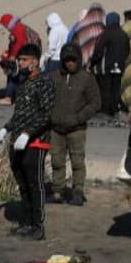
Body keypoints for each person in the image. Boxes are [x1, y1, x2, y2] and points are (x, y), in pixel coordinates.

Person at [0, 44, 55, 240]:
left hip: (36, 141)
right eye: (19, 59)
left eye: (24, 60)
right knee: (22, 182)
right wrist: (6, 128)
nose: (20, 63)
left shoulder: (44, 82)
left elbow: (47, 114)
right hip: (18, 141)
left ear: (35, 61)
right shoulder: (23, 83)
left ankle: (38, 226)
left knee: (34, 183)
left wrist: (28, 133)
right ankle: (27, 222)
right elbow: (19, 114)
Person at [48, 43, 100, 206]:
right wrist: (50, 117)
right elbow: (44, 98)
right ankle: (58, 191)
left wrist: (78, 118)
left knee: (77, 162)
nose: (70, 63)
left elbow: (95, 103)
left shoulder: (87, 78)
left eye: (73, 59)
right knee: (57, 161)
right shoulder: (53, 76)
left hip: (76, 129)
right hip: (55, 128)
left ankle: (77, 191)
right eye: (67, 60)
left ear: (79, 60)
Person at [89, 12, 130, 117]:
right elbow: (127, 51)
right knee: (116, 90)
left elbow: (98, 52)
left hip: (106, 68)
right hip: (119, 68)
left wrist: (92, 63)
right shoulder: (124, 35)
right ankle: (114, 111)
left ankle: (106, 113)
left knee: (105, 91)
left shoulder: (105, 35)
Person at [0, 14, 39, 105]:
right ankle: (14, 97)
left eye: (4, 25)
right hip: (25, 57)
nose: (5, 27)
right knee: (17, 76)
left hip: (23, 57)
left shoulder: (18, 29)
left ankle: (10, 98)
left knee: (15, 76)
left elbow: (18, 44)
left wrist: (12, 56)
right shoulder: (18, 27)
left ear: (7, 23)